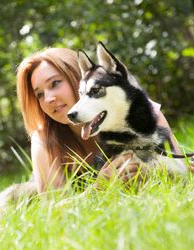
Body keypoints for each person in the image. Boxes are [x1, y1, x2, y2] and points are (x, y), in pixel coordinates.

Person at [16, 47, 187, 194]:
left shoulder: (143, 112)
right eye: (40, 94)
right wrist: (100, 187)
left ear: (79, 77)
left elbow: (180, 169)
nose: (48, 99)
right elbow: (52, 208)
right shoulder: (45, 139)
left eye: (55, 83)